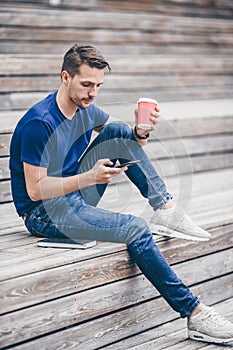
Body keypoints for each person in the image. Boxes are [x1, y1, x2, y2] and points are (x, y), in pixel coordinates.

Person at [10, 43, 233, 344]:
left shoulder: (85, 109)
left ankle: (165, 208)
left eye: (98, 86)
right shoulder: (41, 122)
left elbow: (124, 139)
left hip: (74, 197)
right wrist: (89, 177)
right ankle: (195, 314)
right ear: (65, 78)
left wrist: (140, 132)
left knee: (116, 130)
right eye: (86, 84)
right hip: (44, 214)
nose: (92, 93)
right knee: (136, 228)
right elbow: (35, 191)